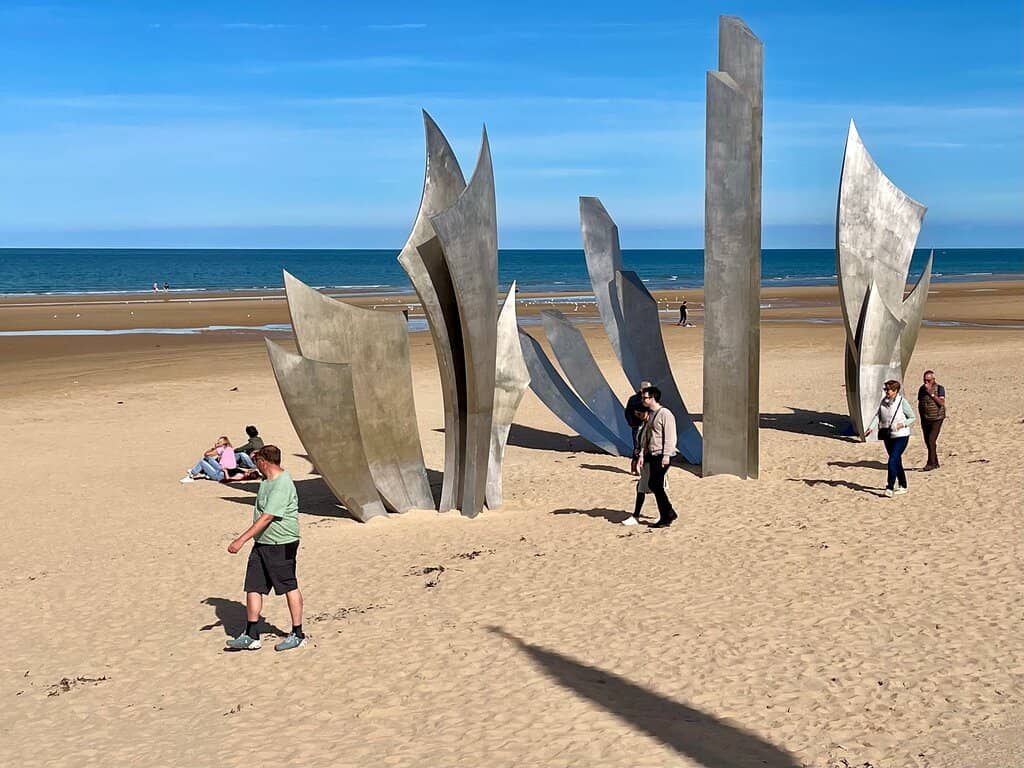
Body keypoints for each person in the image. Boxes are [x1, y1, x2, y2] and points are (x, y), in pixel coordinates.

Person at [225, 445, 306, 652]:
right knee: (253, 586)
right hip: (262, 543)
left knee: (288, 585)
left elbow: (268, 516)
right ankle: (251, 635)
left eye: (257, 462)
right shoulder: (265, 481)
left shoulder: (281, 484)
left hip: (282, 543)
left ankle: (297, 633)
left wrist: (240, 540)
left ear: (264, 462)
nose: (256, 466)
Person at [865, 380, 917, 497]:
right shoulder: (883, 402)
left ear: (895, 391)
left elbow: (912, 417)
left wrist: (902, 424)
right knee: (896, 461)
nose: (886, 392)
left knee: (892, 460)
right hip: (888, 435)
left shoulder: (902, 402)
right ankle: (903, 485)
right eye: (885, 389)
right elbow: (878, 416)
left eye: (888, 390)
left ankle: (889, 487)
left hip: (901, 436)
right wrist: (870, 428)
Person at [637, 385, 679, 527]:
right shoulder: (651, 414)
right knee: (654, 484)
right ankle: (668, 512)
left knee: (655, 483)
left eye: (645, 398)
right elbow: (646, 436)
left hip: (662, 455)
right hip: (652, 454)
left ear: (653, 398)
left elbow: (670, 436)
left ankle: (666, 516)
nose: (643, 400)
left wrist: (666, 455)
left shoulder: (665, 414)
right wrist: (642, 453)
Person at [918, 369, 946, 471]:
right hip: (925, 418)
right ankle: (935, 462)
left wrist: (931, 393)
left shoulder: (939, 388)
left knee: (931, 440)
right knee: (928, 441)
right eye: (925, 380)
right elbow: (920, 402)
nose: (926, 382)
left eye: (928, 380)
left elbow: (941, 403)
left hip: (937, 418)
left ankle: (930, 463)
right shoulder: (921, 389)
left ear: (933, 379)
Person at [623, 380, 652, 475]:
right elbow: (628, 412)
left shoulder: (651, 399)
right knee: (637, 446)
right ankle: (634, 466)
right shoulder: (634, 399)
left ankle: (647, 468)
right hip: (637, 425)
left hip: (648, 426)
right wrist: (632, 423)